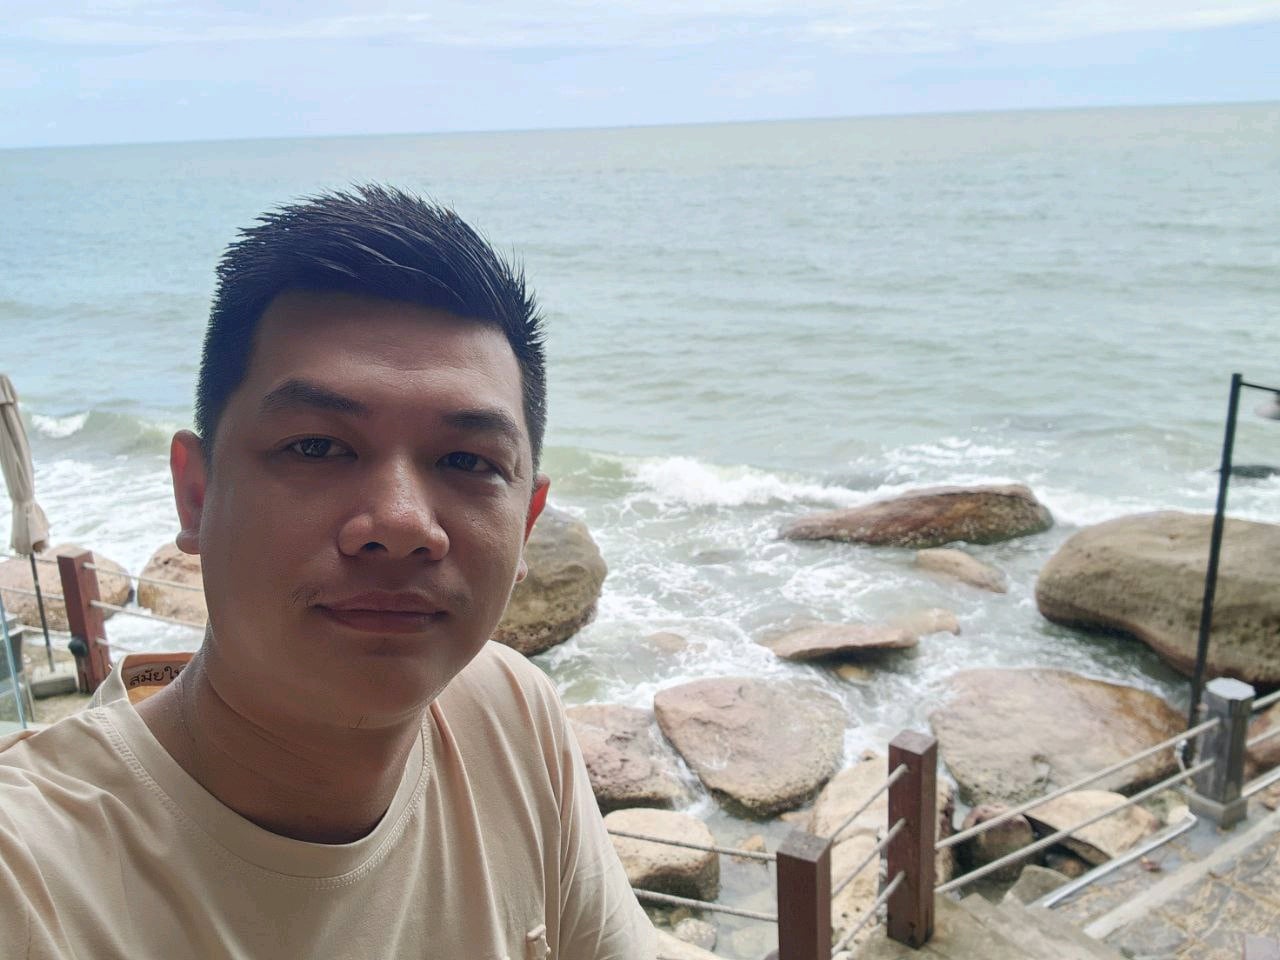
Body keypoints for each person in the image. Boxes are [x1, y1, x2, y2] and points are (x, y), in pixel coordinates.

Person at [0, 185, 655, 959]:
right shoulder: (33, 882)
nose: (402, 525)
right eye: (316, 446)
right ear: (197, 494)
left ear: (527, 524)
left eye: (467, 461)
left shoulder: (510, 715)